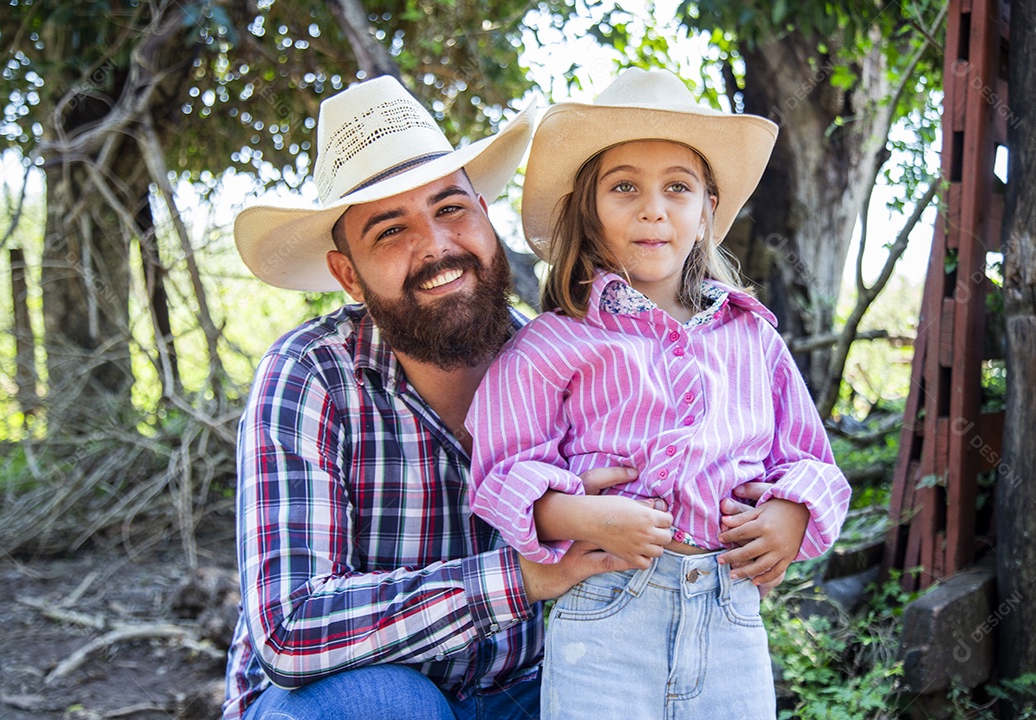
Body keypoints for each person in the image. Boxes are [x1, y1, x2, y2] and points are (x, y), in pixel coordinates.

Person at [224, 74, 764, 720]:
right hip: (354, 703)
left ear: (484, 211)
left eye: (450, 209)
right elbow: (290, 630)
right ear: (348, 274)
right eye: (390, 231)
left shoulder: (566, 361)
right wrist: (523, 578)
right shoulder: (309, 377)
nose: (436, 247)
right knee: (388, 704)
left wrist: (751, 525)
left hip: (523, 694)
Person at [466, 68, 853, 719]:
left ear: (706, 211)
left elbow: (810, 459)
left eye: (678, 187)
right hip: (607, 612)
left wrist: (794, 515)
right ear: (588, 212)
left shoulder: (752, 340)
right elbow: (498, 472)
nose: (654, 207)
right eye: (625, 188)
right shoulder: (554, 344)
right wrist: (571, 514)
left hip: (730, 613)